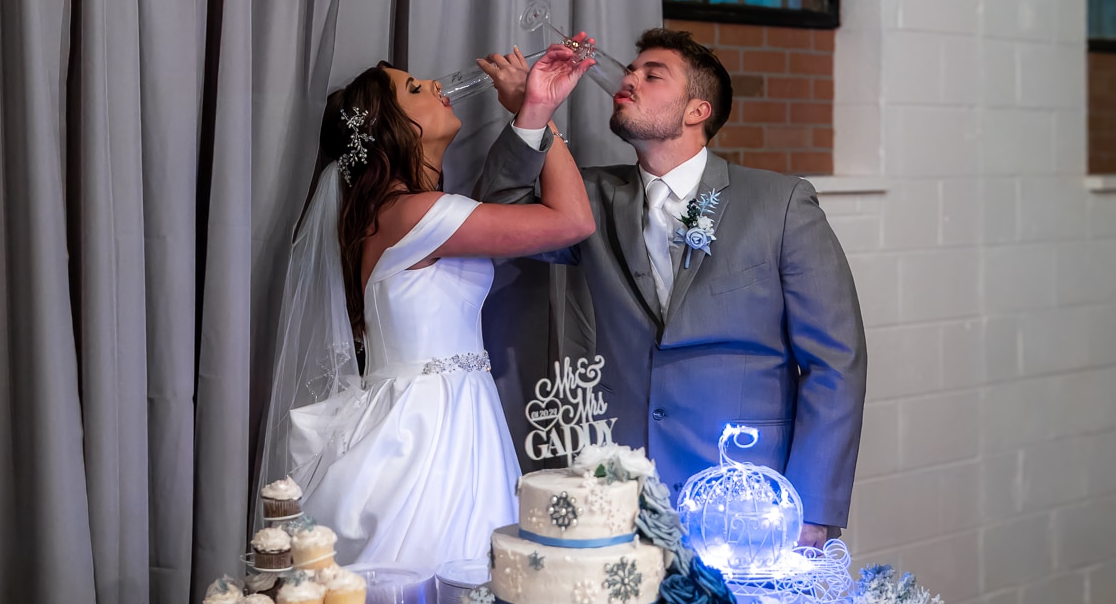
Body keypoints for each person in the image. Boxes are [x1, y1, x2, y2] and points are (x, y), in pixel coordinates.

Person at [474, 28, 866, 547]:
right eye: (631, 70)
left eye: (651, 74)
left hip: (750, 500)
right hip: (623, 500)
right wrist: (533, 113)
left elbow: (835, 362)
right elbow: (498, 225)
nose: (628, 79)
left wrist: (812, 508)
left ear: (696, 111)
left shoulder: (781, 204)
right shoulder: (587, 199)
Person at [256, 38, 596, 574]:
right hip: (430, 435)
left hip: (442, 416)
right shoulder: (414, 214)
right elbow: (573, 221)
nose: (437, 85)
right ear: (393, 127)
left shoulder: (390, 215)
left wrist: (532, 111)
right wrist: (540, 115)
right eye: (414, 88)